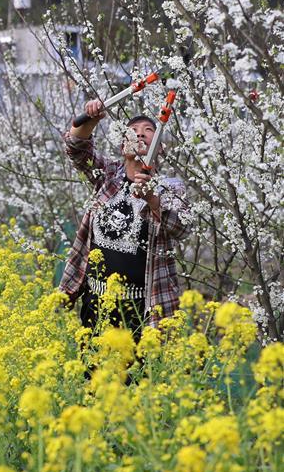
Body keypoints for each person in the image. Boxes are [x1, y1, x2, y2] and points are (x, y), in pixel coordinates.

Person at [59, 99, 191, 344]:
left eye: (149, 131)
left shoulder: (170, 188)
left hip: (142, 309)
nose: (140, 133)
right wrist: (92, 118)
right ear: (123, 146)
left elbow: (182, 227)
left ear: (159, 148)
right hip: (96, 303)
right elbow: (75, 147)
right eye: (133, 131)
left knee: (136, 380)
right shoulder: (107, 176)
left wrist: (152, 199)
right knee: (95, 378)